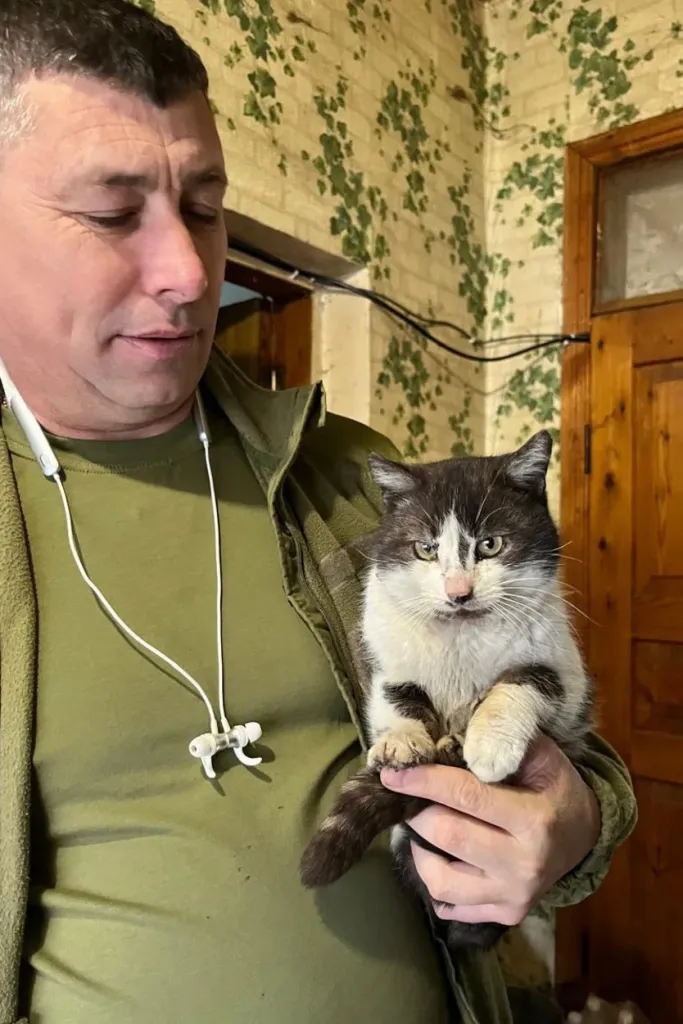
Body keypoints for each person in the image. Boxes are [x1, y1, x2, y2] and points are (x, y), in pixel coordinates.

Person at [0, 2, 636, 1023]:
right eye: (114, 214)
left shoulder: (358, 480)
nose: (188, 271)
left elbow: (584, 763)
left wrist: (571, 822)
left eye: (203, 206)